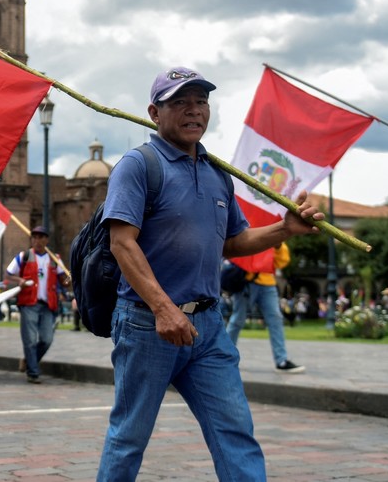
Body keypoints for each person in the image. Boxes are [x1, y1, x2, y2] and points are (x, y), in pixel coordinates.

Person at [95, 68, 324, 481]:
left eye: (201, 101)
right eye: (180, 102)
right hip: (148, 325)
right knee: (129, 437)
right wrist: (165, 310)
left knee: (235, 431)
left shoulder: (218, 173)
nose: (193, 110)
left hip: (208, 327)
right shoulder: (138, 165)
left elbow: (232, 242)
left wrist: (285, 228)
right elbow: (121, 243)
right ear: (154, 112)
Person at [225, 242, 305, 373]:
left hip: (268, 283)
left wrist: (278, 246)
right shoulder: (246, 226)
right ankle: (223, 357)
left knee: (275, 319)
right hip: (247, 281)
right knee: (237, 320)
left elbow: (281, 262)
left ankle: (281, 360)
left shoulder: (271, 229)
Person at [4, 226, 67, 384]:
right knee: (30, 340)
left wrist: (69, 281)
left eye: (41, 237)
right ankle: (33, 372)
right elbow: (8, 274)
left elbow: (63, 281)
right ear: (31, 239)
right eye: (35, 237)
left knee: (47, 339)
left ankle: (28, 361)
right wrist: (20, 281)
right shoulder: (24, 256)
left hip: (48, 304)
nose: (38, 241)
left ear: (47, 240)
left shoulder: (54, 258)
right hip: (28, 302)